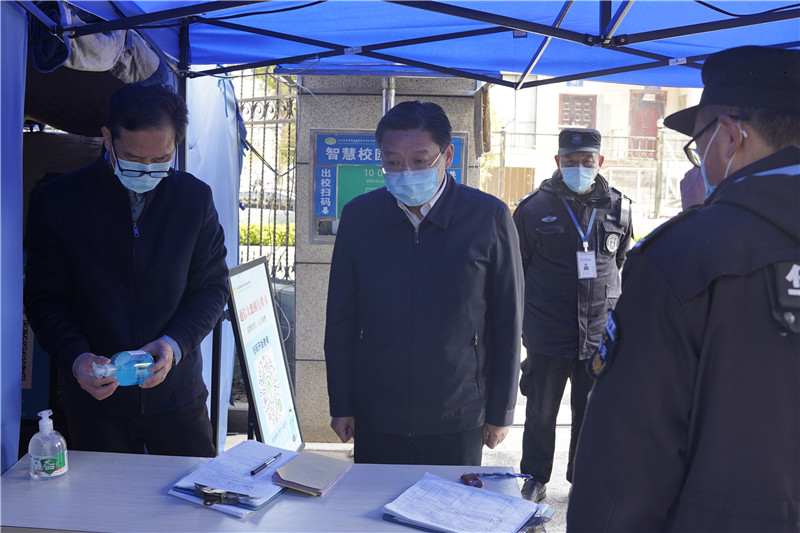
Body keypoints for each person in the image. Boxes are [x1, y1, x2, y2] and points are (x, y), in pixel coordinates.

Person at [568, 45, 800, 531]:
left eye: (699, 146)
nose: (698, 166)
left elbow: (626, 458)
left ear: (731, 137)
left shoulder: (684, 255)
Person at [24, 83, 229, 457]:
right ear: (107, 138)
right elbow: (44, 298)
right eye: (134, 158)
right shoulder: (58, 201)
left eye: (161, 158)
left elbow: (212, 289)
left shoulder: (194, 199)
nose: (147, 170)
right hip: (96, 400)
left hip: (178, 397)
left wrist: (174, 345)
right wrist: (76, 358)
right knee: (103, 496)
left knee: (191, 493)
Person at [324, 101, 523, 465]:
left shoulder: (487, 218)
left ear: (447, 155)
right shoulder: (360, 217)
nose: (405, 172)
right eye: (392, 161)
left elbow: (508, 321)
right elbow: (341, 318)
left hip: (458, 413)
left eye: (419, 160)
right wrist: (342, 403)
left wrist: (501, 411)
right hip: (377, 411)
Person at [512, 128, 632, 502]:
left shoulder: (620, 208)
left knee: (591, 412)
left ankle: (583, 478)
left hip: (597, 333)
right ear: (558, 162)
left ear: (600, 162)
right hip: (547, 332)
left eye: (586, 161)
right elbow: (518, 270)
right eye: (570, 161)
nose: (578, 167)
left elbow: (619, 262)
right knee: (541, 413)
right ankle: (535, 478)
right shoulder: (533, 209)